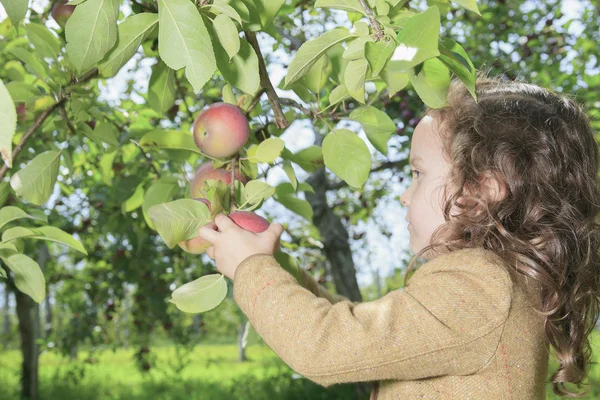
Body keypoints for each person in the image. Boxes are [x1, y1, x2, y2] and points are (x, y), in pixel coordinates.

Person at [198, 75, 600, 399]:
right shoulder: (495, 285)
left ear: (484, 190)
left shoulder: (481, 286)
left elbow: (325, 346)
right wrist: (276, 266)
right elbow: (363, 329)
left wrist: (253, 269)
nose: (404, 194)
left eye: (418, 173)